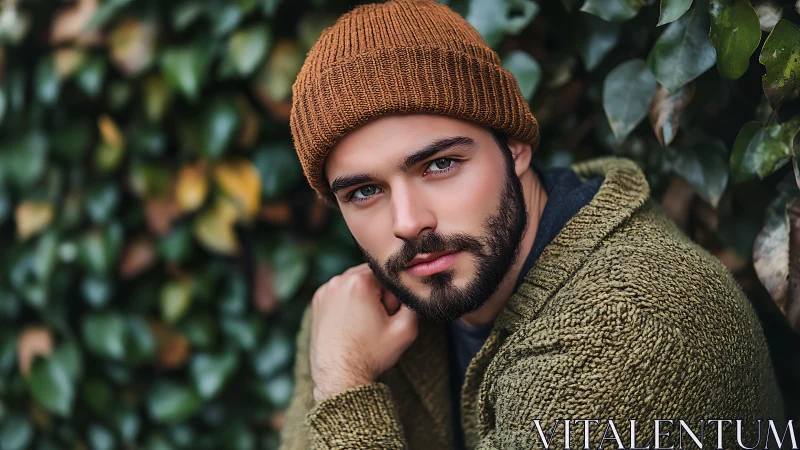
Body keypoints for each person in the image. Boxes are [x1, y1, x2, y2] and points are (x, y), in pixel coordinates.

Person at [279, 1, 785, 449]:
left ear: (515, 147)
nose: (408, 223)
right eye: (364, 191)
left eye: (440, 165)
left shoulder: (632, 333)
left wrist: (344, 386)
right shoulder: (353, 317)